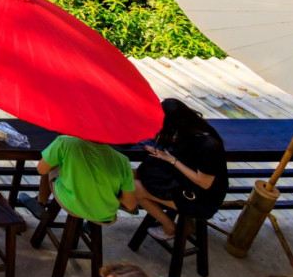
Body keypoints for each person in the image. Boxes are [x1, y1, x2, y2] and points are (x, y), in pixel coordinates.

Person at [134, 98, 228, 240]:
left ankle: (170, 227)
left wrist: (172, 160)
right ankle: (187, 224)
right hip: (186, 186)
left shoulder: (209, 146)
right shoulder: (194, 130)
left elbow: (204, 183)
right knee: (137, 175)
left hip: (202, 199)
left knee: (135, 188)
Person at [35, 134, 137, 223]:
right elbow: (130, 204)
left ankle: (40, 202)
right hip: (104, 213)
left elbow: (41, 170)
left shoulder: (65, 142)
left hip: (71, 203)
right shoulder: (123, 161)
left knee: (50, 163)